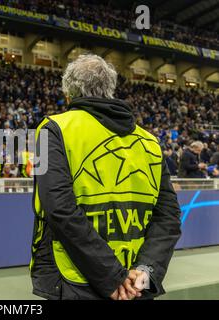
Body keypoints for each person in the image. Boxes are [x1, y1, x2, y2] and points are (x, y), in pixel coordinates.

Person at [30, 54, 182, 300]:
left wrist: (113, 276)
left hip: (77, 281)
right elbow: (169, 216)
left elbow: (59, 209)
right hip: (137, 286)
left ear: (69, 93)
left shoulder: (51, 130)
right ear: (110, 90)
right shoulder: (150, 141)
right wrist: (145, 270)